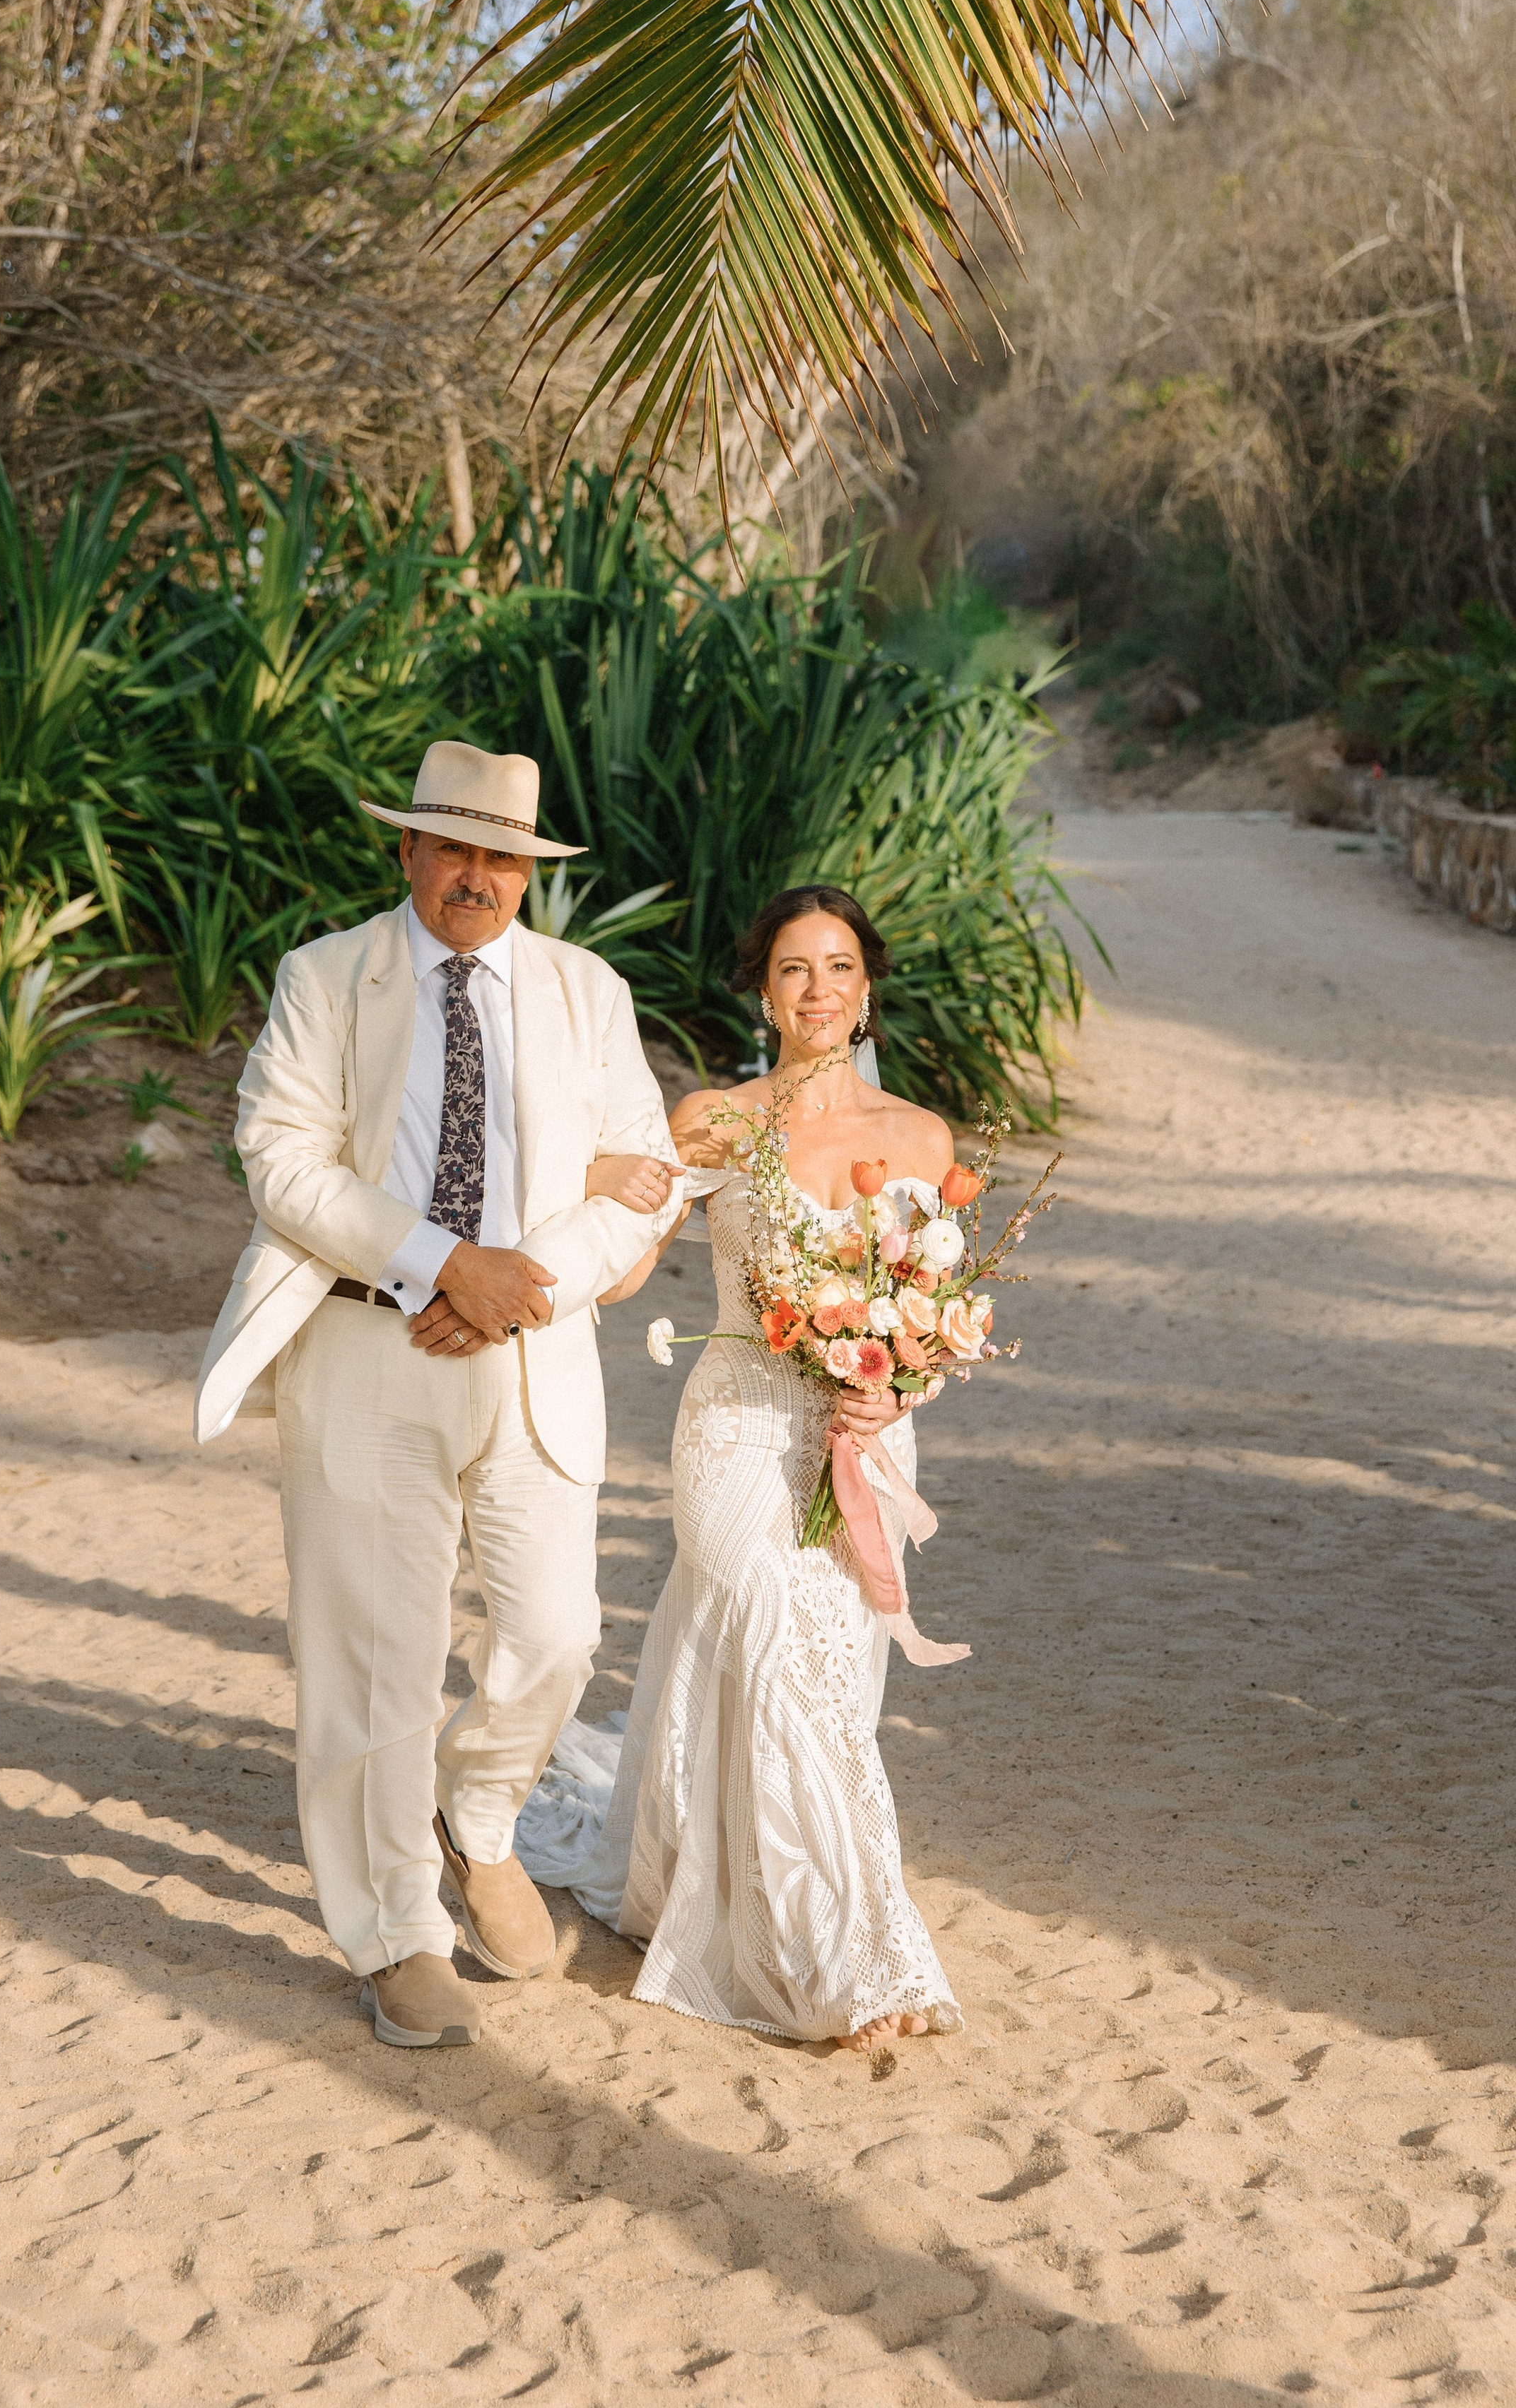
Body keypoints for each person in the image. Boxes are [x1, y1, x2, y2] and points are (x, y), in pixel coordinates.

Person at [193, 740, 681, 2050]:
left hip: (533, 1351)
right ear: (406, 851)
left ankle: (478, 1820)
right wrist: (442, 1265)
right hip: (365, 1348)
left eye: (504, 856)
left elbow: (646, 1178)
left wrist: (521, 1286)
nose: (479, 877)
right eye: (455, 849)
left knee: (559, 1632)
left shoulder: (590, 991)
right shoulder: (324, 979)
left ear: (530, 868)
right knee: (374, 1659)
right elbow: (278, 1161)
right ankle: (395, 1930)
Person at [517, 885, 966, 2050]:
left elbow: (935, 1316)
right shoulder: (718, 1121)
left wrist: (896, 1382)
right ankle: (845, 1961)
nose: (817, 990)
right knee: (765, 1635)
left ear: (867, 987)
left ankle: (764, 1902)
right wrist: (573, 1213)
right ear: (761, 991)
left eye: (837, 967)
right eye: (792, 969)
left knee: (826, 1678)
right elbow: (623, 1270)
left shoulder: (923, 1139)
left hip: (861, 1434)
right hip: (736, 1425)